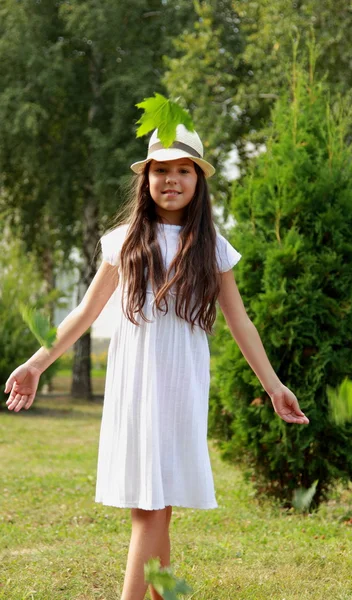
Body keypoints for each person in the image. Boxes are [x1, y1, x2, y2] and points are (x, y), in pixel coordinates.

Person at [4, 123, 309, 600]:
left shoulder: (212, 248)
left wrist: (273, 386)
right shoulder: (122, 240)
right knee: (149, 508)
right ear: (145, 179)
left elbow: (240, 323)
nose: (171, 179)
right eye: (160, 170)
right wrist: (36, 364)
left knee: (157, 507)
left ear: (199, 179)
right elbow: (85, 312)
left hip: (181, 387)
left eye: (183, 170)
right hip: (134, 387)